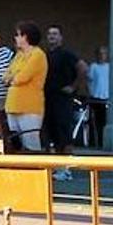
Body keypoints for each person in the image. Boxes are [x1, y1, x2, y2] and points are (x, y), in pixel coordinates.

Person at [43, 23, 83, 179]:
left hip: (63, 100)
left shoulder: (67, 55)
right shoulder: (45, 55)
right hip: (48, 99)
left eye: (55, 34)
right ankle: (56, 167)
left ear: (61, 37)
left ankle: (66, 169)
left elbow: (82, 68)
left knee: (64, 135)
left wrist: (73, 87)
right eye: (49, 34)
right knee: (50, 135)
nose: (52, 36)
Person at [4, 21, 48, 153]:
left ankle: (37, 172)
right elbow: (5, 76)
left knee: (31, 143)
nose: (15, 38)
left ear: (26, 37)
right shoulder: (19, 55)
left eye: (18, 35)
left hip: (29, 107)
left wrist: (14, 77)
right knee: (15, 144)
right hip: (12, 105)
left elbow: (21, 78)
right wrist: (12, 77)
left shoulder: (38, 55)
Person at [86, 45, 110, 149]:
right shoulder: (93, 66)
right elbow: (89, 81)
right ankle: (94, 143)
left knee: (105, 122)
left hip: (107, 98)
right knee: (95, 123)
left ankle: (103, 143)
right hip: (96, 97)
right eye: (100, 53)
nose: (102, 56)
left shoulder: (109, 67)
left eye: (104, 53)